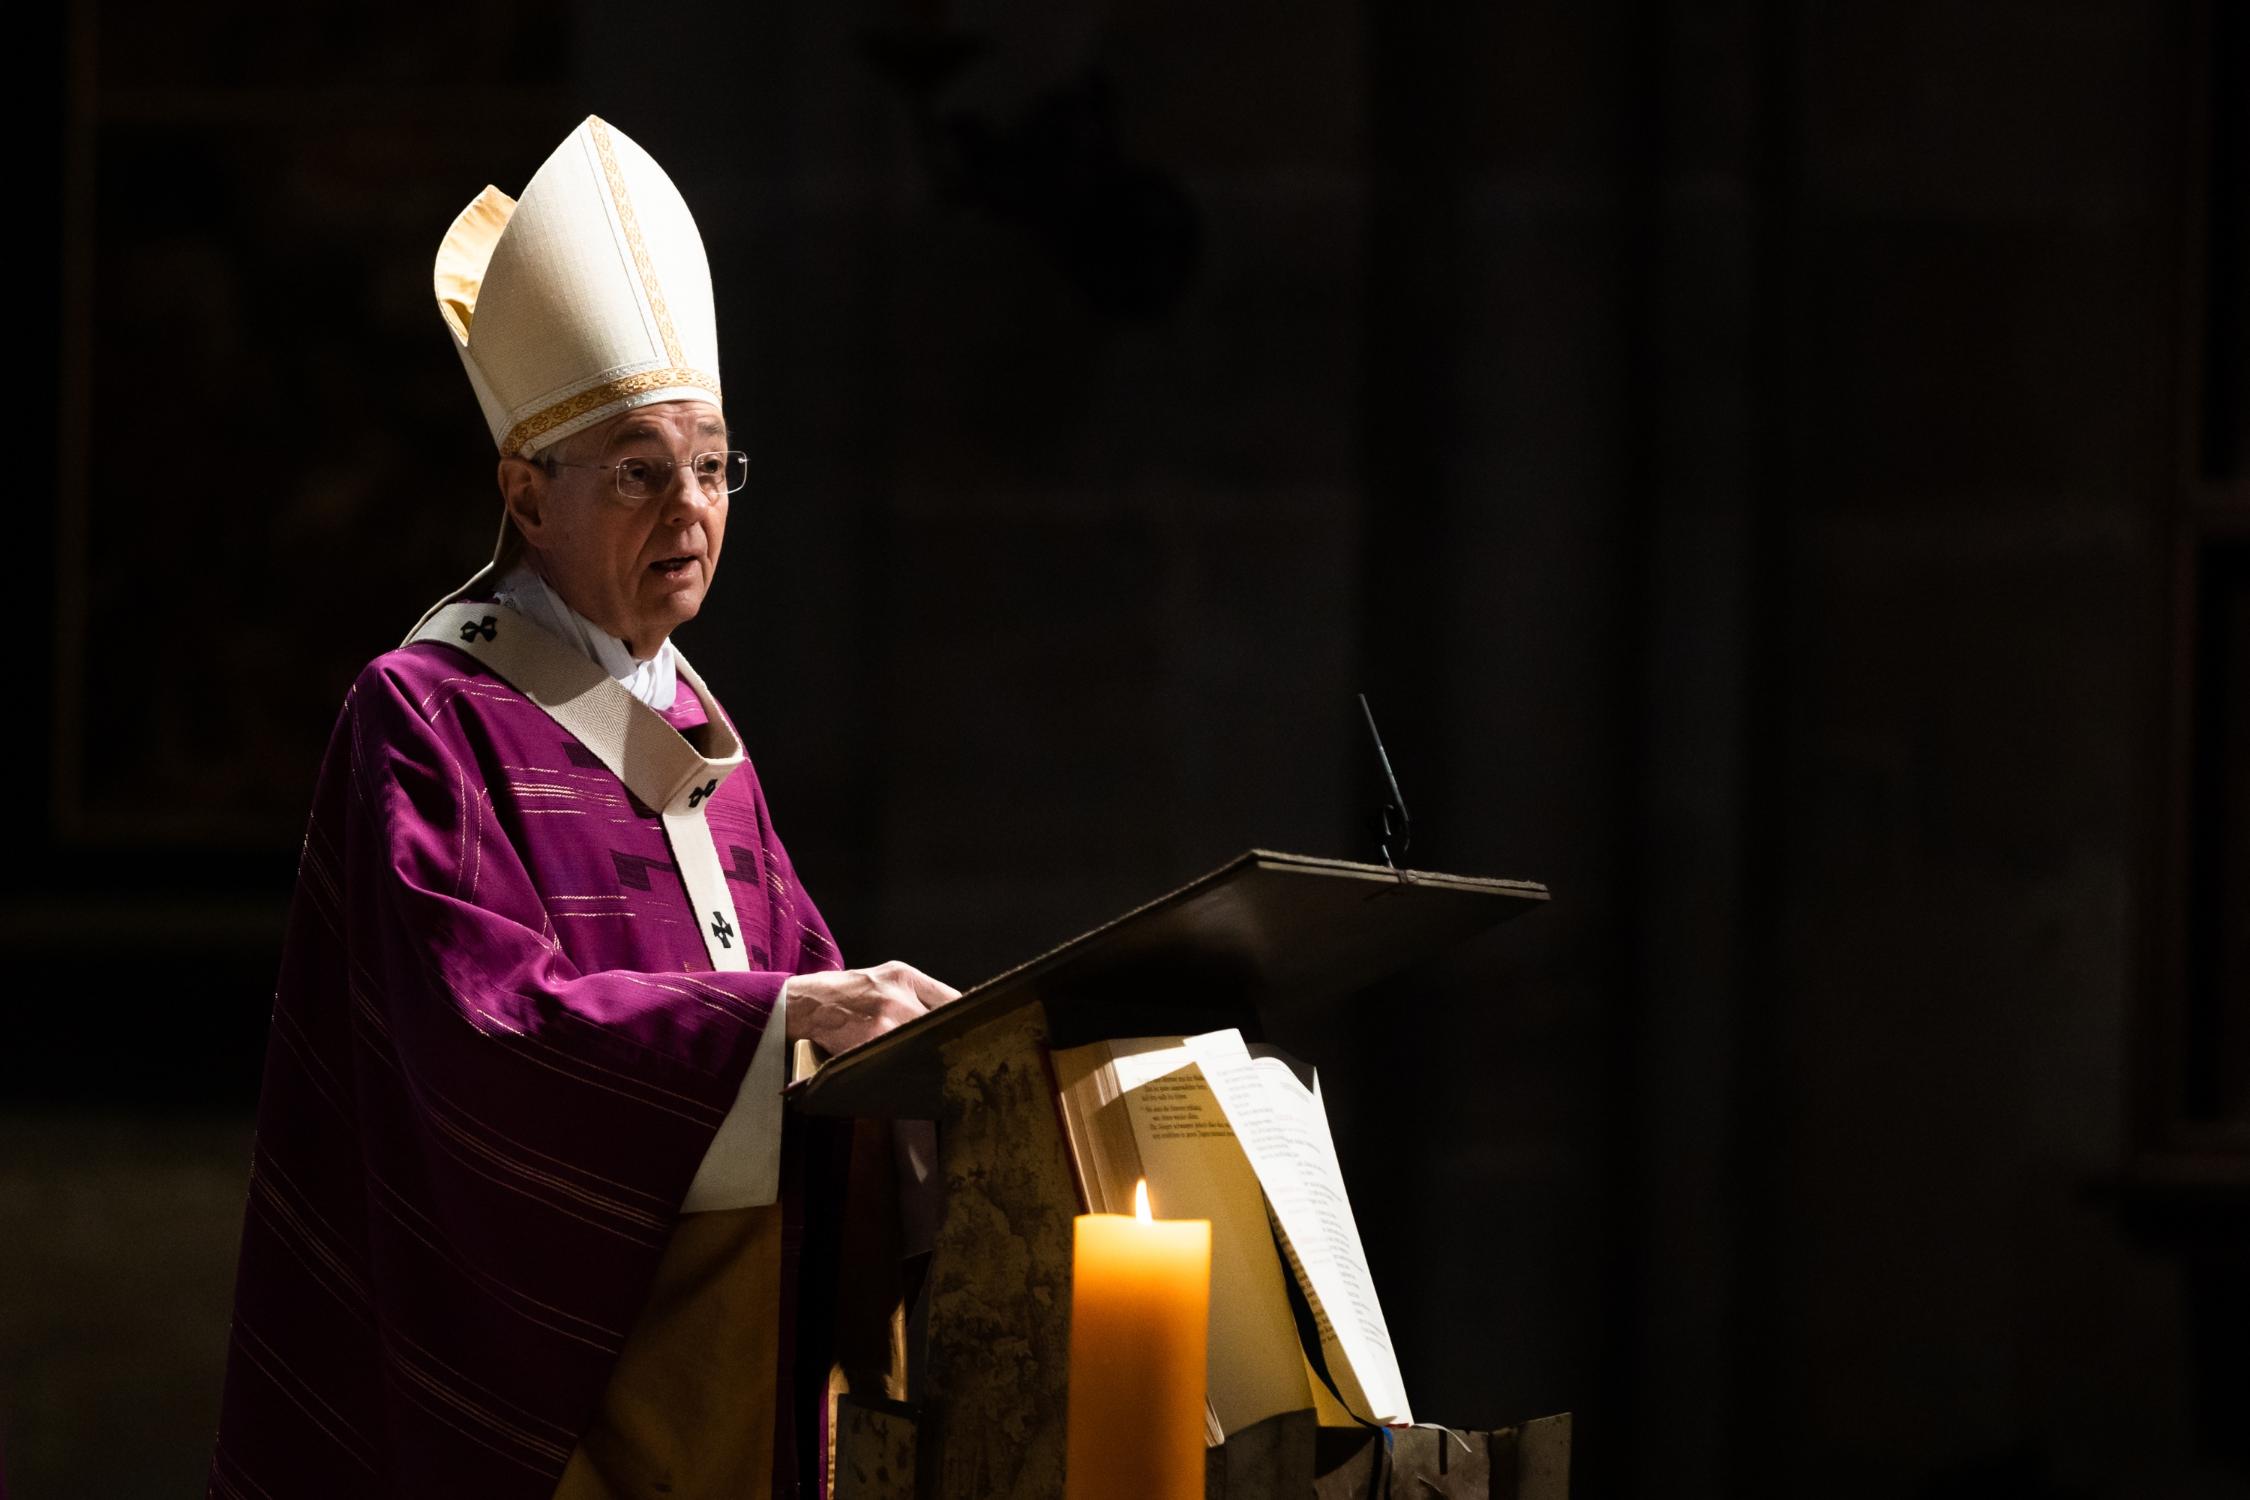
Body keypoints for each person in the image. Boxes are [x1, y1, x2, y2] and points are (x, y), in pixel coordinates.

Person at [209, 115, 954, 1500]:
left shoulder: (695, 733)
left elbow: (811, 1007)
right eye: (636, 469)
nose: (689, 506)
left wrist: (919, 1060)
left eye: (712, 465)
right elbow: (470, 1037)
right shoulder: (423, 716)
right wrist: (790, 1021)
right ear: (522, 496)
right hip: (548, 1394)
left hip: (736, 1367)